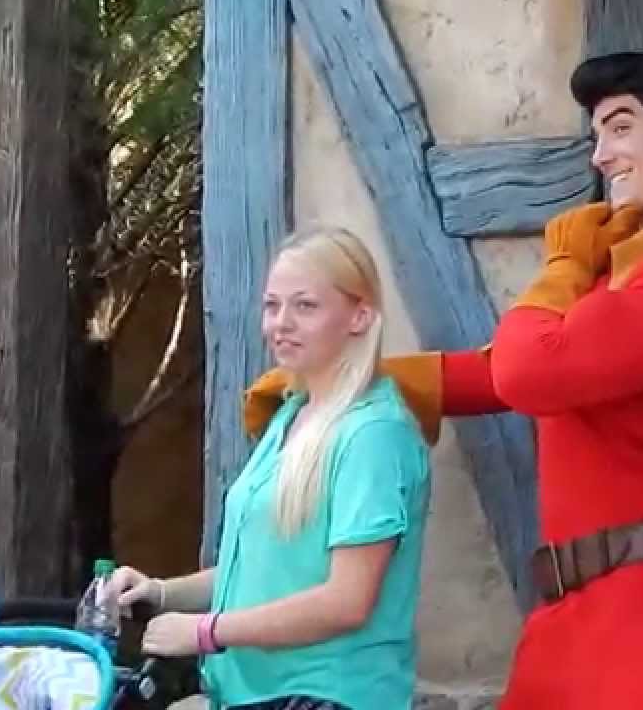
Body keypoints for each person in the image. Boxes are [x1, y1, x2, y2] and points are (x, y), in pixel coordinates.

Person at [245, 51, 643, 708]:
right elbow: (503, 371)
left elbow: (528, 370)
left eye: (619, 127)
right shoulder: (632, 273)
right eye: (596, 136)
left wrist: (562, 263)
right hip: (570, 620)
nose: (600, 156)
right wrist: (342, 381)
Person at [110, 226, 432, 710]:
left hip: (329, 697)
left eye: (305, 306)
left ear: (360, 316)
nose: (281, 322)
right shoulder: (290, 416)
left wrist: (205, 632)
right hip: (256, 697)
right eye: (272, 305)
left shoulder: (372, 435)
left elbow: (347, 601)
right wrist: (158, 592)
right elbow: (258, 575)